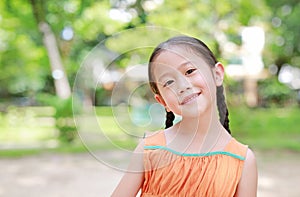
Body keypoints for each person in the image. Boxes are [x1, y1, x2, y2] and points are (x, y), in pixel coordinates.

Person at [112, 35, 257, 196]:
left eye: (189, 71)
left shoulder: (242, 160)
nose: (182, 86)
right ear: (162, 101)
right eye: (169, 82)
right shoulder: (149, 149)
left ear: (217, 74)